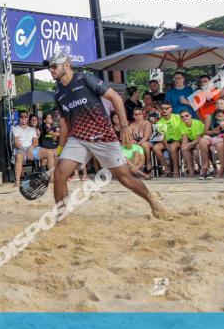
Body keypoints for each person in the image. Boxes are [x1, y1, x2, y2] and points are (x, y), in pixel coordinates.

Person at [45, 47, 167, 218]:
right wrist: (60, 149)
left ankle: (152, 201)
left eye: (54, 66)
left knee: (124, 178)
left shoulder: (85, 78)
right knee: (59, 173)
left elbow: (115, 98)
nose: (51, 70)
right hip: (78, 138)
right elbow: (65, 122)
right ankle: (62, 216)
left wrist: (124, 127)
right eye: (49, 67)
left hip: (102, 135)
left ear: (67, 64)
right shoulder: (59, 93)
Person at [11, 111, 55, 184]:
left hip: (32, 149)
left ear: (28, 118)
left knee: (50, 152)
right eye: (21, 116)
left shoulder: (31, 129)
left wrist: (30, 149)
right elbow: (16, 143)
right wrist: (26, 151)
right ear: (18, 118)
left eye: (25, 116)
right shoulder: (15, 128)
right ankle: (17, 181)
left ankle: (52, 179)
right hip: (21, 149)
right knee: (18, 156)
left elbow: (35, 142)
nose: (23, 118)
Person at [198, 109, 224, 178]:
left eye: (221, 104)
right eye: (217, 104)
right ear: (216, 116)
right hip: (214, 137)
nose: (220, 117)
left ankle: (221, 168)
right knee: (202, 141)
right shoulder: (210, 117)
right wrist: (215, 131)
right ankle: (205, 166)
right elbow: (206, 131)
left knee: (220, 144)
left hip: (223, 137)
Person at [151, 102, 184, 177]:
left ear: (171, 109)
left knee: (172, 146)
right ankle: (166, 168)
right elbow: (160, 137)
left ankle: (176, 170)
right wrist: (166, 145)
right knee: (155, 147)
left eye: (167, 108)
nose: (164, 110)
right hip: (166, 141)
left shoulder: (178, 117)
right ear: (160, 110)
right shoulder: (159, 122)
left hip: (178, 140)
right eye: (162, 109)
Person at [177, 110, 206, 178]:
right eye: (182, 117)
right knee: (184, 148)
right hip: (193, 140)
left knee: (198, 147)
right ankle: (191, 169)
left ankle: (202, 168)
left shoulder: (197, 123)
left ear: (190, 116)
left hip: (202, 140)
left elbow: (199, 139)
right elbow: (185, 138)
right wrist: (184, 145)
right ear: (180, 118)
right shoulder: (181, 125)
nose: (184, 118)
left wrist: (189, 145)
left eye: (186, 116)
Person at [129, 107, 153, 172]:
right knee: (130, 146)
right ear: (133, 116)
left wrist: (138, 144)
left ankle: (148, 162)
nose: (138, 116)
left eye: (140, 114)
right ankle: (134, 168)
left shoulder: (147, 123)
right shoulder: (131, 125)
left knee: (143, 144)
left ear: (143, 115)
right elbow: (130, 137)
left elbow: (146, 137)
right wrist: (133, 142)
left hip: (149, 142)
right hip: (137, 143)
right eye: (136, 114)